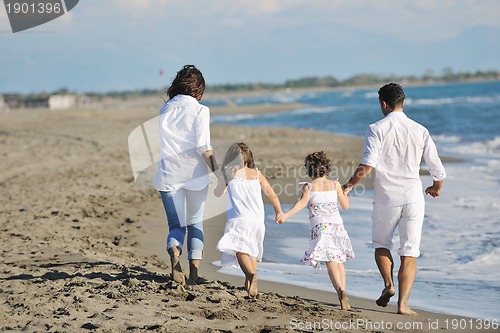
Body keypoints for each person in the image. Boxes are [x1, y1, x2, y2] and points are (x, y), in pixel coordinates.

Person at [343, 83, 446, 316]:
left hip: (387, 196)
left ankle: (388, 284)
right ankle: (403, 305)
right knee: (409, 252)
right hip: (413, 196)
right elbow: (436, 167)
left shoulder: (376, 128)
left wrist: (349, 185)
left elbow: (367, 164)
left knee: (381, 244)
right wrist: (436, 187)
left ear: (383, 104)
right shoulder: (420, 130)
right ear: (403, 102)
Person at [153, 65, 219, 285]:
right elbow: (204, 147)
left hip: (168, 175)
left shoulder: (165, 109)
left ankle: (174, 250)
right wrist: (219, 173)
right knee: (195, 224)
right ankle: (193, 274)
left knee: (176, 226)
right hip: (195, 176)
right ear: (198, 89)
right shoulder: (200, 110)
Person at [276, 151, 354, 310]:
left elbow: (301, 204)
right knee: (338, 259)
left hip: (320, 226)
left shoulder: (309, 187)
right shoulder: (335, 184)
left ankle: (339, 290)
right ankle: (344, 289)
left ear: (309, 170)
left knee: (330, 260)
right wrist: (344, 193)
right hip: (337, 226)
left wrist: (285, 215)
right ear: (327, 169)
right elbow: (345, 206)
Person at [214, 143, 283, 298]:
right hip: (258, 220)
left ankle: (251, 275)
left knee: (240, 250)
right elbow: (272, 194)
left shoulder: (229, 173)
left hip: (239, 218)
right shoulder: (257, 174)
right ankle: (250, 287)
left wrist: (222, 185)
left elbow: (218, 193)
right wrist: (278, 211)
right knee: (252, 252)